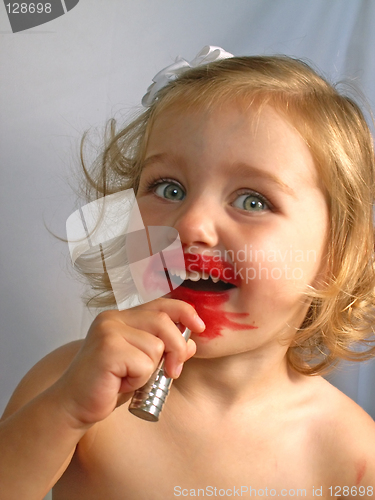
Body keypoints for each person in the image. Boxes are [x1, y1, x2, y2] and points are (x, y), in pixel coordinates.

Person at [1, 46, 375, 499]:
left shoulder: (352, 456)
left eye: (253, 201)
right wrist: (64, 412)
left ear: (334, 256)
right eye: (168, 188)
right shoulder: (70, 380)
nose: (191, 224)